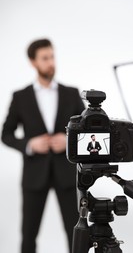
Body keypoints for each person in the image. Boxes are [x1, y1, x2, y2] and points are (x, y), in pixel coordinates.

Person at [1, 39, 85, 253]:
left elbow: (87, 132)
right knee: (28, 235)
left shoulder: (72, 93)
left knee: (76, 232)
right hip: (34, 175)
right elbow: (6, 134)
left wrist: (68, 141)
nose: (51, 63)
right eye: (45, 58)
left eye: (52, 57)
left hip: (67, 175)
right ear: (33, 62)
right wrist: (29, 144)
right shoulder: (20, 97)